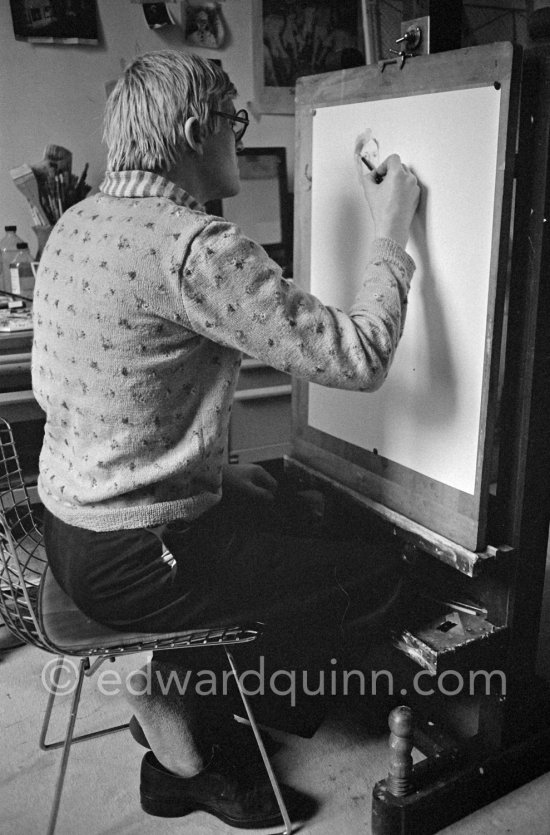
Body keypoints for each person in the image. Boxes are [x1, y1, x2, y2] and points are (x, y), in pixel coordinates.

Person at [31, 51, 420, 829]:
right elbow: (359, 354)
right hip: (144, 556)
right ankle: (189, 732)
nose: (239, 137)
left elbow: (121, 403)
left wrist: (212, 481)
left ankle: (186, 686)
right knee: (380, 574)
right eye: (234, 121)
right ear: (192, 130)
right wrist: (390, 234)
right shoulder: (194, 247)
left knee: (287, 498)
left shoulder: (76, 221)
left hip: (73, 534)